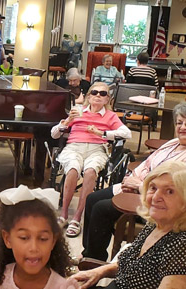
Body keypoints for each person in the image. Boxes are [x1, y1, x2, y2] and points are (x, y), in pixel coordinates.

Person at [81, 102, 186, 261]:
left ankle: (94, 260)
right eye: (179, 122)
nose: (182, 127)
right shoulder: (174, 143)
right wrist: (131, 177)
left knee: (100, 209)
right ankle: (88, 255)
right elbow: (148, 162)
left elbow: (178, 192)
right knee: (92, 199)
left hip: (158, 204)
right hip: (138, 188)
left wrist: (138, 185)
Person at [70, 161, 186, 289]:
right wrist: (99, 271)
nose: (156, 197)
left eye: (169, 191)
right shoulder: (157, 225)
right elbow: (131, 264)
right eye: (153, 188)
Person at [50, 82, 132, 237]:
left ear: (108, 99)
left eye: (103, 94)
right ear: (88, 96)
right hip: (74, 146)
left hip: (97, 149)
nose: (98, 96)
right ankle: (64, 214)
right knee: (73, 169)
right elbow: (54, 134)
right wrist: (66, 122)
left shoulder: (110, 116)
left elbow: (127, 133)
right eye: (94, 92)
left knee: (90, 171)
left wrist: (103, 133)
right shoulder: (78, 112)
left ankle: (77, 217)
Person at [0, 185, 79, 289]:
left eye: (43, 239)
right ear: (7, 239)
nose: (34, 248)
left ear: (53, 241)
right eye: (24, 237)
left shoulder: (64, 287)